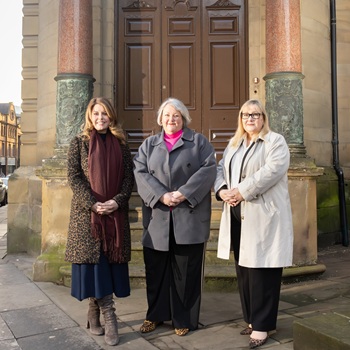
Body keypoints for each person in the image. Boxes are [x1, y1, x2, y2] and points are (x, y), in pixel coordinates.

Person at [133, 97, 216, 336]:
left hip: (188, 216)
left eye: (176, 115)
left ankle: (184, 318)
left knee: (186, 272)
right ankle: (155, 315)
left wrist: (182, 193)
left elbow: (209, 169)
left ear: (183, 119)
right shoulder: (149, 145)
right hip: (158, 216)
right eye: (167, 115)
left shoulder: (198, 142)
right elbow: (140, 172)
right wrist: (162, 195)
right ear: (160, 119)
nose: (171, 119)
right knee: (156, 270)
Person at [214, 99, 293, 349]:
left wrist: (240, 191)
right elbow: (219, 169)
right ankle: (252, 319)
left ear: (263, 117)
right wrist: (223, 191)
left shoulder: (275, 141)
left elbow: (272, 171)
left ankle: (263, 325)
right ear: (241, 118)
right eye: (246, 115)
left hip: (263, 216)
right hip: (238, 216)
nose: (250, 119)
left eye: (255, 114)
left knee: (263, 271)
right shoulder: (235, 143)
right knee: (245, 270)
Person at [65, 97, 134, 346]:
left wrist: (116, 201)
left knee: (105, 266)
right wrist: (93, 203)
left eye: (104, 113)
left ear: (111, 116)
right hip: (88, 218)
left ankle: (95, 312)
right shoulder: (79, 143)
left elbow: (128, 178)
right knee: (97, 266)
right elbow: (74, 177)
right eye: (96, 113)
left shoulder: (121, 144)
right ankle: (109, 316)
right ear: (90, 116)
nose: (100, 118)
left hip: (114, 216)